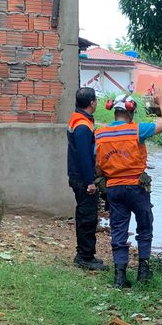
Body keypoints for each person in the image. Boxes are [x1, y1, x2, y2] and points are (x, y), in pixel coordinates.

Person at [94, 88, 162, 288]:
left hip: (114, 188)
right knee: (144, 227)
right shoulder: (137, 130)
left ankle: (120, 276)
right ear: (130, 112)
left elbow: (97, 165)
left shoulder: (100, 134)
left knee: (119, 229)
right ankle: (143, 272)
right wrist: (160, 101)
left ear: (114, 111)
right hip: (137, 187)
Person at [67, 87, 108, 270]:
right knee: (87, 217)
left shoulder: (79, 119)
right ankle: (85, 257)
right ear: (92, 103)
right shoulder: (82, 126)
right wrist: (90, 182)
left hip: (78, 175)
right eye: (96, 101)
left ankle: (84, 254)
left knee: (85, 215)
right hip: (83, 178)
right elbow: (84, 156)